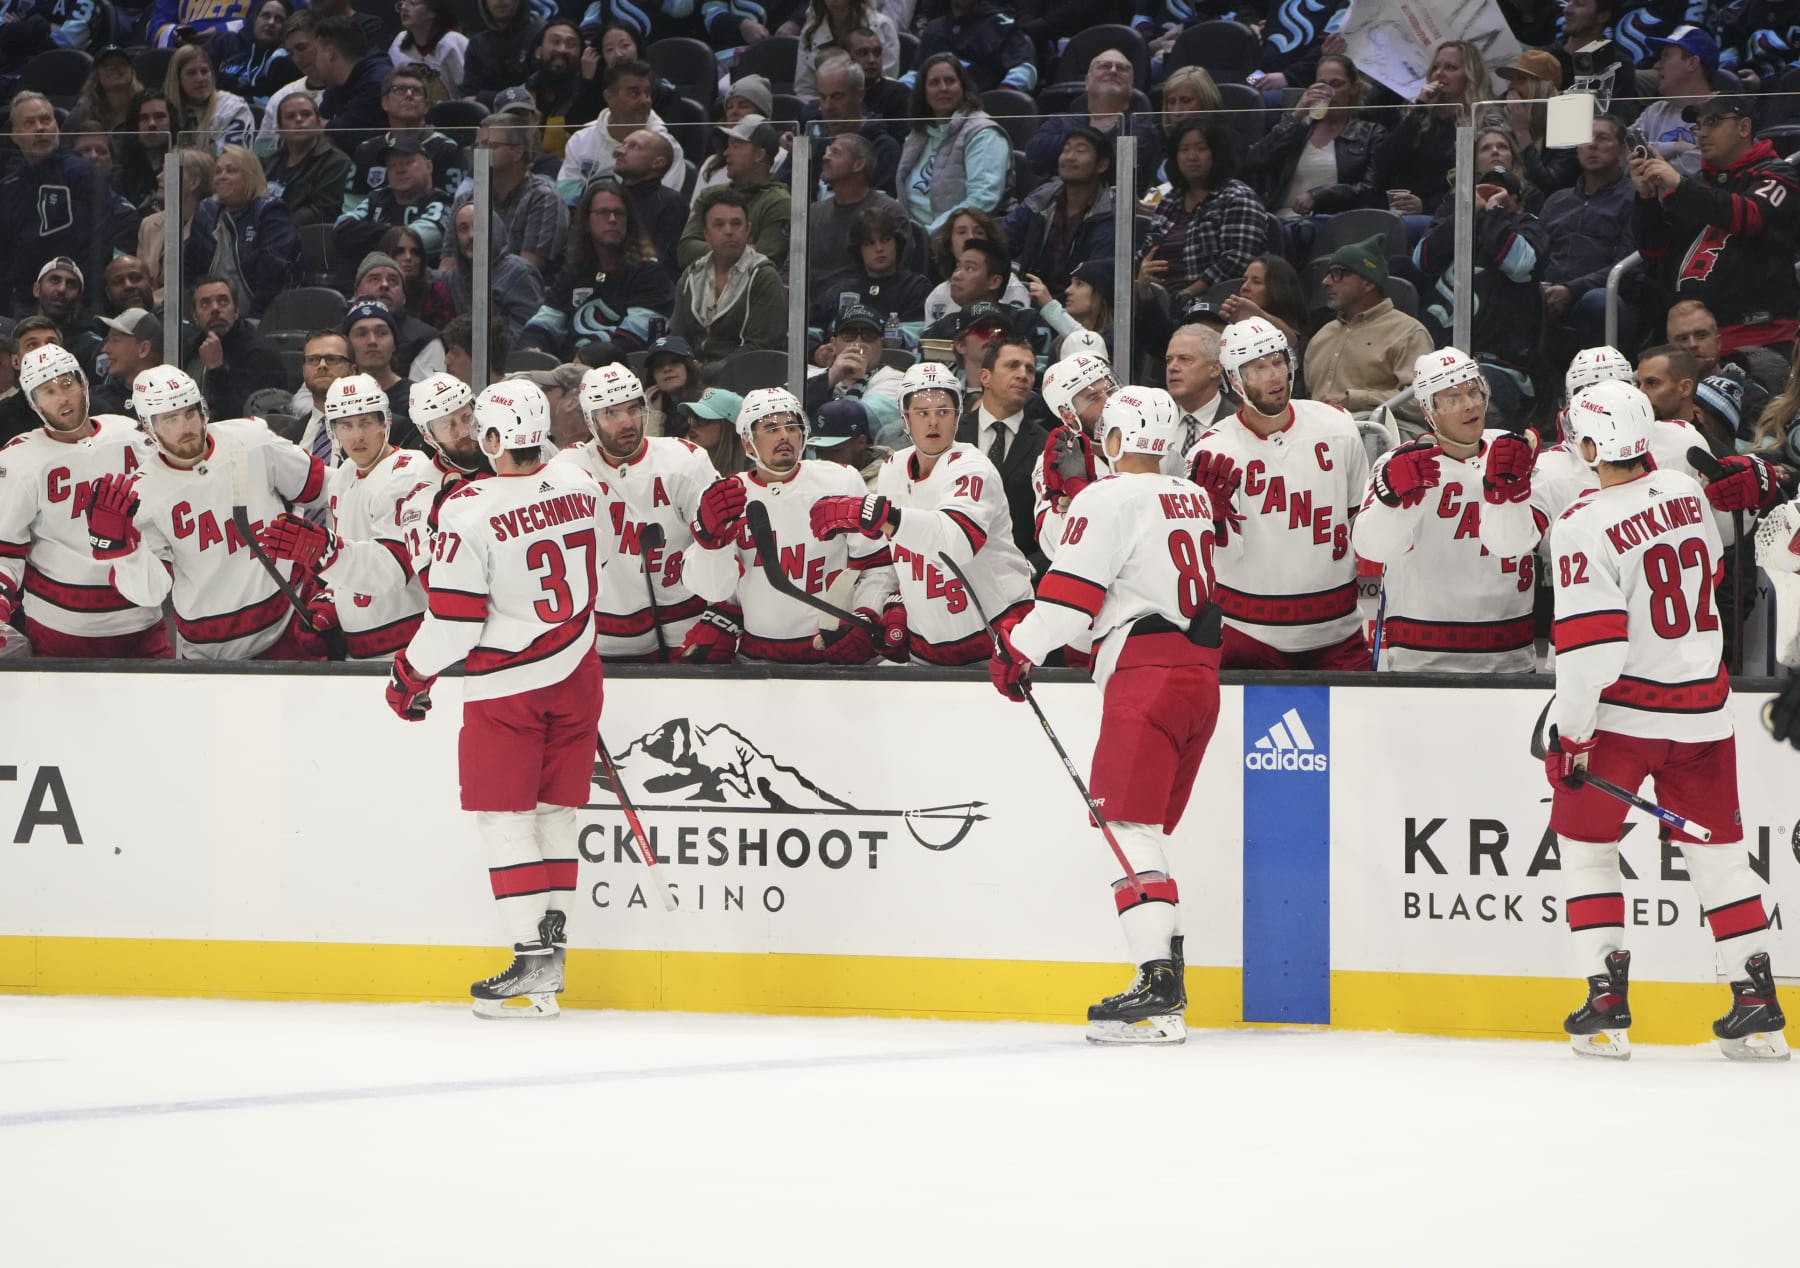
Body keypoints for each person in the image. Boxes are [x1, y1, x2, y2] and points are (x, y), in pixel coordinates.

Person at [1541, 379, 1787, 1061]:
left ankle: (1606, 1003)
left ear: (1589, 444)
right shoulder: (1685, 494)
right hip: (1705, 712)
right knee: (1722, 861)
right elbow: (1705, 570)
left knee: (1588, 852)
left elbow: (1591, 653)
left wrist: (1573, 736)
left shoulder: (1583, 522)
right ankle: (1758, 1005)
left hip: (1624, 718)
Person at [991, 385, 1225, 1045]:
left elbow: (1069, 603)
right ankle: (1168, 1000)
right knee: (1145, 830)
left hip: (1144, 676)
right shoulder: (1192, 496)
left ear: (1115, 439)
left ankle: (1156, 987)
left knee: (1126, 827)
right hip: (1199, 674)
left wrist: (1018, 647)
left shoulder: (1107, 496)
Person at [386, 379, 608, 1018]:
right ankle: (552, 960)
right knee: (556, 815)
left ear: (489, 438)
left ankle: (531, 963)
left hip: (510, 684)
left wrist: (409, 675)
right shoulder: (579, 483)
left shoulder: (466, 508)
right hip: (578, 671)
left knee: (507, 821)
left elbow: (454, 620)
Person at [89, 365, 330, 661]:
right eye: (170, 419)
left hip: (289, 628)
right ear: (147, 428)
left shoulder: (252, 439)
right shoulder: (142, 494)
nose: (185, 426)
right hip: (209, 652)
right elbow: (150, 594)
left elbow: (322, 487)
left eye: (190, 413)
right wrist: (124, 552)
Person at [812, 359, 1032, 665]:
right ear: (905, 418)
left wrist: (878, 514)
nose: (933, 422)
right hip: (926, 648)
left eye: (943, 411)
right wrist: (877, 608)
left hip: (996, 641)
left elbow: (955, 542)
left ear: (957, 416)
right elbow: (890, 559)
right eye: (922, 412)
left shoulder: (973, 467)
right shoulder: (892, 470)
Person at [1187, 318, 1370, 669]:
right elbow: (1211, 560)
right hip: (1249, 636)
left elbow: (1357, 522)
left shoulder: (1338, 426)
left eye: (1277, 362)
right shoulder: (1212, 453)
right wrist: (1212, 526)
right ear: (1234, 380)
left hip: (1338, 634)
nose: (1273, 376)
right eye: (1257, 368)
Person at [1351, 348, 1538, 671]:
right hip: (1422, 659)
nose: (1469, 405)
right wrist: (1392, 503)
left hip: (1509, 656)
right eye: (1451, 399)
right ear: (1429, 410)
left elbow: (1521, 543)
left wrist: (1512, 491)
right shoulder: (1398, 465)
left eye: (1474, 392)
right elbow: (1372, 548)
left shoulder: (1512, 452)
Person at [679, 387, 891, 664]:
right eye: (771, 427)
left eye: (792, 426)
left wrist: (866, 616)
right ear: (747, 442)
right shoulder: (727, 497)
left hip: (830, 654)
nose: (784, 435)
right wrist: (710, 545)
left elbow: (877, 566)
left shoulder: (841, 481)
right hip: (754, 660)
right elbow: (715, 590)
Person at [0, 345, 169, 659]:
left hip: (143, 620)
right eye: (47, 391)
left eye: (67, 384)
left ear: (85, 384)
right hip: (60, 630)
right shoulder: (19, 460)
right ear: (33, 403)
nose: (62, 398)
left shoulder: (131, 435)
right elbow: (5, 549)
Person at [254, 372, 433, 661]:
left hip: (411, 651)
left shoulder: (409, 472)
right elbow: (349, 554)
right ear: (332, 430)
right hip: (358, 651)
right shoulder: (343, 478)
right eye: (346, 425)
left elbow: (391, 572)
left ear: (385, 421)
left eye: (366, 422)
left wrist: (323, 552)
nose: (357, 435)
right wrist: (332, 599)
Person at [548, 362, 720, 661]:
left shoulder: (686, 462)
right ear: (590, 421)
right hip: (598, 638)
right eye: (611, 413)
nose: (627, 422)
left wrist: (723, 613)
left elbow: (722, 546)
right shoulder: (566, 471)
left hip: (684, 630)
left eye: (633, 409)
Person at [1634, 96, 1800, 362]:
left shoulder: (1777, 175)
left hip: (1760, 338)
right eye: (1699, 126)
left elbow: (1749, 216)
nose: (1703, 133)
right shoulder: (1697, 185)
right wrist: (1646, 198)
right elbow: (1653, 251)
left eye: (1713, 122)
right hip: (1689, 343)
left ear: (1744, 128)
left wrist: (1681, 186)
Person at [1415, 165, 1549, 430]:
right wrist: (1467, 212)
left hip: (1501, 368)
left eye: (1502, 192)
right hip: (1443, 359)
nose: (1491, 197)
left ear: (1519, 203)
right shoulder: (1458, 224)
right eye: (1485, 190)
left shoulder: (1529, 226)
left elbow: (1520, 264)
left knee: (1464, 394)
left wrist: (1494, 213)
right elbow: (1422, 259)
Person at [1, 92, 137, 316]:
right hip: (26, 302)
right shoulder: (9, 187)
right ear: (14, 134)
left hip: (77, 300)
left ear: (57, 126)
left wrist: (84, 294)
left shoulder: (82, 173)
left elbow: (100, 241)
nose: (40, 128)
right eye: (30, 123)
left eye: (46, 120)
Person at [525, 179, 673, 357]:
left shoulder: (650, 274)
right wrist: (530, 347)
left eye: (619, 213)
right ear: (587, 222)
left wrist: (582, 362)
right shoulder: (573, 273)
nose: (612, 219)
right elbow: (545, 322)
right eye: (603, 212)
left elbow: (635, 339)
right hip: (570, 370)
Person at [1246, 52, 1384, 227]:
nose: (1328, 93)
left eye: (1337, 84)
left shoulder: (1371, 133)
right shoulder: (1299, 127)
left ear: (1353, 88)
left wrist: (1319, 195)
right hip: (1279, 220)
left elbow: (1370, 189)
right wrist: (1295, 116)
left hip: (1333, 221)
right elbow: (1255, 161)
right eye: (1321, 85)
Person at [1304, 236, 1433, 423]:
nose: (1325, 281)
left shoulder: (1408, 332)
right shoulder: (1321, 336)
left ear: (1368, 283)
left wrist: (1357, 401)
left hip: (1380, 440)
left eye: (1337, 273)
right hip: (1318, 440)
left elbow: (1422, 400)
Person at [1137, 116, 1265, 303]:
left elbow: (1237, 260)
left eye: (1201, 148)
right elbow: (1146, 252)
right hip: (1158, 302)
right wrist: (1142, 279)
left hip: (1213, 305)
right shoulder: (1169, 201)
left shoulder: (1238, 197)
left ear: (1216, 153)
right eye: (1184, 149)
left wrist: (1187, 294)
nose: (1192, 157)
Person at [1539, 115, 1635, 353]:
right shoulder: (1556, 200)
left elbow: (1629, 266)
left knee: (1598, 300)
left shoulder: (1635, 198)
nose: (1592, 145)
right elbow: (1536, 254)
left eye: (1603, 138)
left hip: (1602, 296)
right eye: (1585, 140)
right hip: (1550, 293)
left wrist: (1572, 290)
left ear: (1622, 150)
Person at [1370, 40, 1491, 223]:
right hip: (1397, 210)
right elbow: (1382, 164)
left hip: (1446, 215)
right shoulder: (1418, 113)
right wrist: (1419, 108)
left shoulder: (1483, 121)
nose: (1439, 74)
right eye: (1435, 67)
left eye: (1450, 67)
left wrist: (1426, 205)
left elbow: (1478, 180)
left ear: (1470, 75)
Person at [956, 333, 1051, 561]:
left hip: (1021, 579)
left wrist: (1032, 569)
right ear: (985, 377)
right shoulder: (952, 434)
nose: (1023, 375)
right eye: (1012, 366)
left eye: (1029, 369)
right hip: (954, 571)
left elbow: (1058, 524)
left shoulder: (1048, 445)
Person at [669, 188, 788, 371]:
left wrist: (706, 371)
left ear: (747, 230)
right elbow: (677, 337)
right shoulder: (692, 275)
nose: (729, 231)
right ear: (706, 234)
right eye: (719, 224)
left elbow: (762, 347)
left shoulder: (763, 276)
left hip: (744, 376)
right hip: (693, 375)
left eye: (736, 223)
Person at [896, 54, 1010, 235]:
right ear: (923, 92)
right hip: (914, 239)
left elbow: (983, 199)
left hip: (957, 241)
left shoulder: (983, 133)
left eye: (950, 81)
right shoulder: (918, 134)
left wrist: (927, 234)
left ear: (963, 87)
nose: (943, 88)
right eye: (934, 83)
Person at [1023, 46, 1159, 195]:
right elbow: (1035, 156)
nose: (1113, 71)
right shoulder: (1061, 121)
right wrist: (1097, 141)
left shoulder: (1141, 127)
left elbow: (1117, 170)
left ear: (1131, 87)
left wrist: (1071, 146)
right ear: (1087, 81)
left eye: (1122, 68)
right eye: (1104, 66)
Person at [186, 146, 299, 319]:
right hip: (210, 312)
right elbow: (190, 269)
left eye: (231, 171)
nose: (221, 177)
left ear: (249, 176)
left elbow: (273, 274)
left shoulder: (270, 211)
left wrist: (256, 317)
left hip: (257, 315)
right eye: (218, 171)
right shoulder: (206, 212)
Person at [1003, 128, 1117, 296]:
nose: (1069, 157)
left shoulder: (1109, 213)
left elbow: (1098, 277)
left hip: (1079, 308)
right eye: (1066, 150)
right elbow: (1004, 240)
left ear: (1102, 165)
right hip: (1030, 298)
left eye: (1080, 150)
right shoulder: (1043, 198)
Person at [555, 58, 685, 200]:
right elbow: (566, 198)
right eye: (634, 93)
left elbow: (662, 204)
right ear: (610, 97)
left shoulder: (666, 148)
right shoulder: (581, 140)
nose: (645, 101)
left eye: (647, 93)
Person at [676, 117, 790, 271]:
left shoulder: (778, 202)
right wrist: (740, 250)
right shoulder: (710, 195)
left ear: (759, 155)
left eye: (736, 146)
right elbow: (685, 250)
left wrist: (712, 245)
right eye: (728, 145)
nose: (726, 153)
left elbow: (762, 265)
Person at [467, 114, 568, 277]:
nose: (479, 152)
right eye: (476, 146)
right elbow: (448, 265)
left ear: (517, 152)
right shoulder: (467, 199)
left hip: (522, 296)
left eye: (489, 145)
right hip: (471, 292)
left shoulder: (543, 198)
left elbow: (525, 271)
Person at [347, 64, 467, 200]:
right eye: (400, 90)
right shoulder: (366, 150)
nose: (409, 95)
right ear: (385, 103)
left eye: (416, 91)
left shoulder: (447, 148)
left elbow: (455, 204)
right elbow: (351, 206)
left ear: (426, 106)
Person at [811, 134, 905, 300]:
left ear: (858, 165)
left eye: (836, 153)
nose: (826, 157)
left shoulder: (888, 210)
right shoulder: (813, 213)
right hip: (813, 311)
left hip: (869, 305)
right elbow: (792, 270)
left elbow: (896, 274)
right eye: (827, 151)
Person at [439, 202, 544, 344]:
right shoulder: (451, 279)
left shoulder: (518, 272)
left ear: (495, 229)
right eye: (463, 229)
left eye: (479, 226)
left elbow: (528, 331)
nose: (471, 235)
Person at [336, 134, 451, 262]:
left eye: (408, 162)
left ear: (428, 166)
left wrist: (363, 238)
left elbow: (415, 242)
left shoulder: (440, 202)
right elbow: (341, 227)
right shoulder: (377, 197)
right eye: (392, 165)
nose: (400, 170)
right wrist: (394, 233)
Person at [803, 305, 905, 446]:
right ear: (833, 343)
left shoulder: (897, 380)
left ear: (881, 344)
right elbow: (787, 410)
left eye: (869, 336)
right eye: (849, 335)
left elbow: (848, 421)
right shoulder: (813, 375)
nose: (858, 343)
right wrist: (832, 376)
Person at [799, 54, 901, 196]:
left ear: (859, 95)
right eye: (822, 97)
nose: (828, 106)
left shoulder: (883, 147)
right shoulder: (813, 139)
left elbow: (880, 210)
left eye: (837, 97)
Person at [189, 276, 284, 420]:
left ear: (236, 311)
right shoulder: (190, 349)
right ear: (195, 317)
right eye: (205, 304)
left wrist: (217, 369)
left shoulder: (261, 354)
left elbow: (244, 417)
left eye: (223, 301)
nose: (215, 309)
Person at [1634, 26, 1719, 179]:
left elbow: (1662, 178)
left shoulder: (1723, 114)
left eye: (1665, 57)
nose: (1656, 65)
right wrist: (1674, 147)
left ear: (1692, 63)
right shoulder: (1656, 110)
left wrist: (1647, 160)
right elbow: (1622, 149)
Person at [264, 92, 354, 229]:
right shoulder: (269, 162)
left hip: (306, 239)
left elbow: (323, 211)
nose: (299, 120)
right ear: (280, 129)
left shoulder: (336, 162)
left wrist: (276, 223)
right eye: (290, 116)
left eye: (306, 114)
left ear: (318, 123)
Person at [342, 299, 423, 448]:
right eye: (361, 334)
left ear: (394, 343)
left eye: (381, 333)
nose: (372, 341)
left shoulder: (418, 398)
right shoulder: (338, 398)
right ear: (347, 345)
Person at [912, 0, 1038, 93]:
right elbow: (915, 74)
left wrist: (1002, 95)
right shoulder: (934, 28)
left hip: (982, 110)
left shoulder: (1002, 26)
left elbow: (1025, 69)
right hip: (935, 110)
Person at [312, 16, 395, 148]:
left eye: (316, 53)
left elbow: (343, 132)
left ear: (330, 53)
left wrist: (325, 126)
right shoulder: (338, 83)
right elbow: (317, 122)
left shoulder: (377, 81)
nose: (313, 62)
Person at [613, 128, 687, 273]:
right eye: (623, 145)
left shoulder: (672, 204)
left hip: (644, 288)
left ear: (657, 163)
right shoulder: (604, 198)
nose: (620, 151)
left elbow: (663, 265)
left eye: (634, 146)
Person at [795, 0, 898, 98]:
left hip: (874, 107)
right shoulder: (810, 32)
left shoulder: (883, 26)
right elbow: (805, 90)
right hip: (825, 106)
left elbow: (887, 84)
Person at [211, 0, 304, 110]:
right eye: (265, 16)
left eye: (279, 20)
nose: (271, 23)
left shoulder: (283, 62)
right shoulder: (225, 42)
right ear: (255, 19)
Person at [166, 44, 256, 156]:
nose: (200, 79)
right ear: (177, 79)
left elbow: (232, 162)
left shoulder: (232, 108)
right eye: (191, 73)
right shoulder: (165, 111)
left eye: (204, 71)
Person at [24, 258, 102, 377]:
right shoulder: (16, 338)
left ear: (78, 298)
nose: (62, 289)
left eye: (71, 284)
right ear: (37, 289)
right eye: (55, 280)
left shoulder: (91, 346)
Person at [462, 0, 546, 100]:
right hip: (486, 114)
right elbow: (468, 95)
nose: (500, 1)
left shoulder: (541, 35)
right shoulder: (477, 44)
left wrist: (484, 97)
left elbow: (537, 91)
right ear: (485, 4)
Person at [807, 398, 891, 490]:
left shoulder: (885, 484)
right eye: (819, 450)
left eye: (835, 450)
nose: (824, 458)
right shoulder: (812, 478)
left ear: (861, 442)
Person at [94, 309, 164, 417]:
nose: (105, 348)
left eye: (115, 340)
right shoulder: (97, 399)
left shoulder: (170, 400)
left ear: (143, 349)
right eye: (108, 339)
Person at [390, 0, 468, 97]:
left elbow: (468, 91)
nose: (404, 7)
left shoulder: (454, 42)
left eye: (413, 3)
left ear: (433, 11)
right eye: (401, 3)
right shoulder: (399, 40)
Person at [670, 386, 747, 478]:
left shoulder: (752, 479)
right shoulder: (682, 470)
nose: (693, 425)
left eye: (704, 419)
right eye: (693, 417)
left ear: (730, 429)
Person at [75, 46, 147, 135]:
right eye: (105, 65)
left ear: (132, 72)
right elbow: (65, 145)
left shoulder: (147, 106)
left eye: (120, 63)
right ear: (96, 76)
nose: (113, 68)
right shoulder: (82, 112)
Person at [642, 334, 701, 436]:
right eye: (658, 365)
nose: (667, 369)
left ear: (691, 365)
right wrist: (654, 416)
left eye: (675, 361)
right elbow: (649, 451)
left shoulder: (708, 403)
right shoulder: (648, 411)